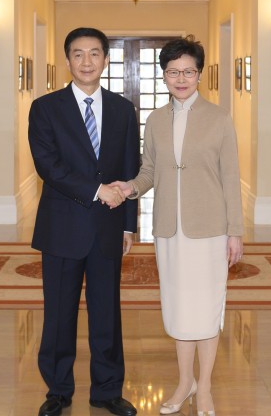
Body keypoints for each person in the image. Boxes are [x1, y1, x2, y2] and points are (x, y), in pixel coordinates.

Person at [114, 37, 243, 416]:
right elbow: (149, 171)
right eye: (173, 72)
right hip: (169, 230)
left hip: (211, 229)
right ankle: (184, 383)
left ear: (200, 74)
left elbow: (231, 177)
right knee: (178, 309)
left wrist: (235, 231)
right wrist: (130, 188)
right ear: (164, 76)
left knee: (205, 309)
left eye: (188, 71)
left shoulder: (220, 119)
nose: (181, 78)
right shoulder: (154, 120)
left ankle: (204, 389)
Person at [28, 27, 140, 416]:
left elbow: (130, 168)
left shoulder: (124, 109)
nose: (87, 61)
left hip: (109, 227)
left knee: (107, 313)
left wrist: (129, 224)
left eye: (95, 53)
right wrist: (96, 190)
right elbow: (49, 166)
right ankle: (58, 390)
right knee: (59, 313)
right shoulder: (45, 108)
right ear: (68, 60)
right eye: (78, 54)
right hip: (62, 227)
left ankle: (107, 390)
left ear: (105, 59)